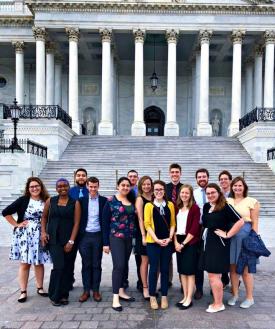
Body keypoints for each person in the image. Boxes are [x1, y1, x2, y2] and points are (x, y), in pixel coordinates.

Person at [2, 177, 51, 303]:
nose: (34, 188)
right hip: (25, 236)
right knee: (25, 263)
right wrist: (16, 224)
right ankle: (23, 291)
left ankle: (40, 288)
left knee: (39, 262)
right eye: (31, 187)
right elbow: (6, 212)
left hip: (40, 235)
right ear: (28, 189)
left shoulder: (46, 200)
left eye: (36, 186)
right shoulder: (23, 200)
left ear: (41, 186)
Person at [200, 183, 244, 313]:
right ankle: (216, 301)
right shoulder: (207, 206)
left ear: (219, 193)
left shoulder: (225, 207)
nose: (210, 195)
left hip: (219, 244)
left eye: (213, 192)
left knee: (214, 276)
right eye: (208, 193)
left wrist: (228, 234)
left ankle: (218, 304)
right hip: (208, 243)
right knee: (211, 275)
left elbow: (240, 221)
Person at [41, 178, 81, 306]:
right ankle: (54, 295)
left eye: (65, 186)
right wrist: (43, 232)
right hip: (54, 239)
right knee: (58, 266)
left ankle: (64, 295)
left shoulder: (75, 203)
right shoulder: (50, 201)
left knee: (68, 268)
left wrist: (71, 241)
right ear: (56, 188)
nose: (62, 188)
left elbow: (76, 223)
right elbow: (44, 217)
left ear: (69, 187)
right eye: (59, 186)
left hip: (69, 240)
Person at [102, 177, 136, 312]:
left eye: (128, 186)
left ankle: (121, 291)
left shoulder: (131, 200)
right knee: (119, 265)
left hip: (129, 238)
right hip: (115, 237)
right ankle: (115, 298)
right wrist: (105, 243)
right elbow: (104, 223)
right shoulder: (110, 201)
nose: (125, 188)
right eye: (123, 185)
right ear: (118, 186)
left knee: (125, 265)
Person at [227, 177, 260, 309]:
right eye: (235, 186)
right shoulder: (227, 200)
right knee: (233, 269)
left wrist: (253, 238)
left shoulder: (252, 201)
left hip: (246, 236)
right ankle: (235, 295)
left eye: (240, 186)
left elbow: (255, 222)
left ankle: (249, 297)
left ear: (244, 187)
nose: (237, 188)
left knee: (246, 269)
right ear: (232, 187)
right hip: (231, 237)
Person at [144, 180, 176, 310]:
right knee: (153, 269)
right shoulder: (149, 206)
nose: (158, 192)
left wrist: (169, 238)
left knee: (164, 269)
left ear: (164, 191)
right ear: (153, 191)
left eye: (161, 189)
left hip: (167, 243)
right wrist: (156, 239)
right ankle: (152, 296)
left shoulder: (170, 205)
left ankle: (164, 296)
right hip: (153, 242)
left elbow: (173, 223)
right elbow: (147, 224)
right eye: (156, 189)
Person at [78, 177, 107, 303]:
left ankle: (95, 290)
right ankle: (86, 291)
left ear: (98, 186)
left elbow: (106, 222)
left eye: (95, 186)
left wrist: (106, 241)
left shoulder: (104, 201)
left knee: (96, 264)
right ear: (87, 187)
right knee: (86, 264)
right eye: (91, 186)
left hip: (98, 236)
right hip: (84, 236)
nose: (93, 189)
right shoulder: (81, 201)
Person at [174, 184, 201, 310]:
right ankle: (184, 296)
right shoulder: (177, 207)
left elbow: (195, 228)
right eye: (182, 193)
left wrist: (183, 244)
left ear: (191, 195)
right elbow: (172, 226)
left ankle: (189, 298)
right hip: (178, 240)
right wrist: (175, 243)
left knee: (190, 272)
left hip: (189, 242)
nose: (184, 195)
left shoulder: (195, 208)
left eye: (187, 193)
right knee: (182, 271)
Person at [68, 168, 89, 289]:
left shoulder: (90, 191)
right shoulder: (70, 191)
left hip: (85, 231)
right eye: (79, 175)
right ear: (75, 177)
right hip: (71, 231)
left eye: (83, 175)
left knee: (87, 259)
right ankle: (69, 280)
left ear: (86, 177)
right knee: (70, 258)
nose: (81, 177)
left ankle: (89, 283)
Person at [135, 175, 153, 300]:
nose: (146, 186)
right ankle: (145, 287)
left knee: (154, 263)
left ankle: (152, 286)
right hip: (144, 234)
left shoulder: (154, 197)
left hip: (155, 234)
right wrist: (143, 235)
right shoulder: (140, 199)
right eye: (144, 184)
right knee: (145, 261)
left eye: (148, 184)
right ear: (140, 186)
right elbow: (140, 219)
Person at [193, 168, 209, 300]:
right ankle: (199, 288)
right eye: (199, 177)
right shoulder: (194, 193)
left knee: (214, 257)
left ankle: (222, 281)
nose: (202, 179)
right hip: (199, 229)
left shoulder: (214, 191)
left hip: (213, 228)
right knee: (198, 259)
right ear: (196, 179)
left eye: (204, 176)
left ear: (208, 177)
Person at [166, 163, 183, 287]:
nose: (174, 174)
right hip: (168, 225)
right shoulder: (165, 188)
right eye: (172, 172)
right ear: (169, 174)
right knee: (167, 256)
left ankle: (184, 282)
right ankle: (168, 280)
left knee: (182, 254)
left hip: (182, 225)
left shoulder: (185, 188)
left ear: (180, 173)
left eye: (177, 172)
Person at [127, 169, 142, 292]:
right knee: (124, 257)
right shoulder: (124, 190)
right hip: (125, 228)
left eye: (134, 176)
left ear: (137, 178)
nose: (132, 178)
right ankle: (123, 281)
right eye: (130, 176)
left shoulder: (140, 191)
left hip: (138, 227)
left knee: (139, 257)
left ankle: (141, 282)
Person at [218, 170, 233, 289]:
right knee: (222, 255)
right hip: (221, 229)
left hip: (233, 229)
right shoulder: (218, 195)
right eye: (221, 179)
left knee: (232, 256)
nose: (223, 181)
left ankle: (234, 281)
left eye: (225, 179)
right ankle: (224, 279)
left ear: (230, 181)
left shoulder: (235, 194)